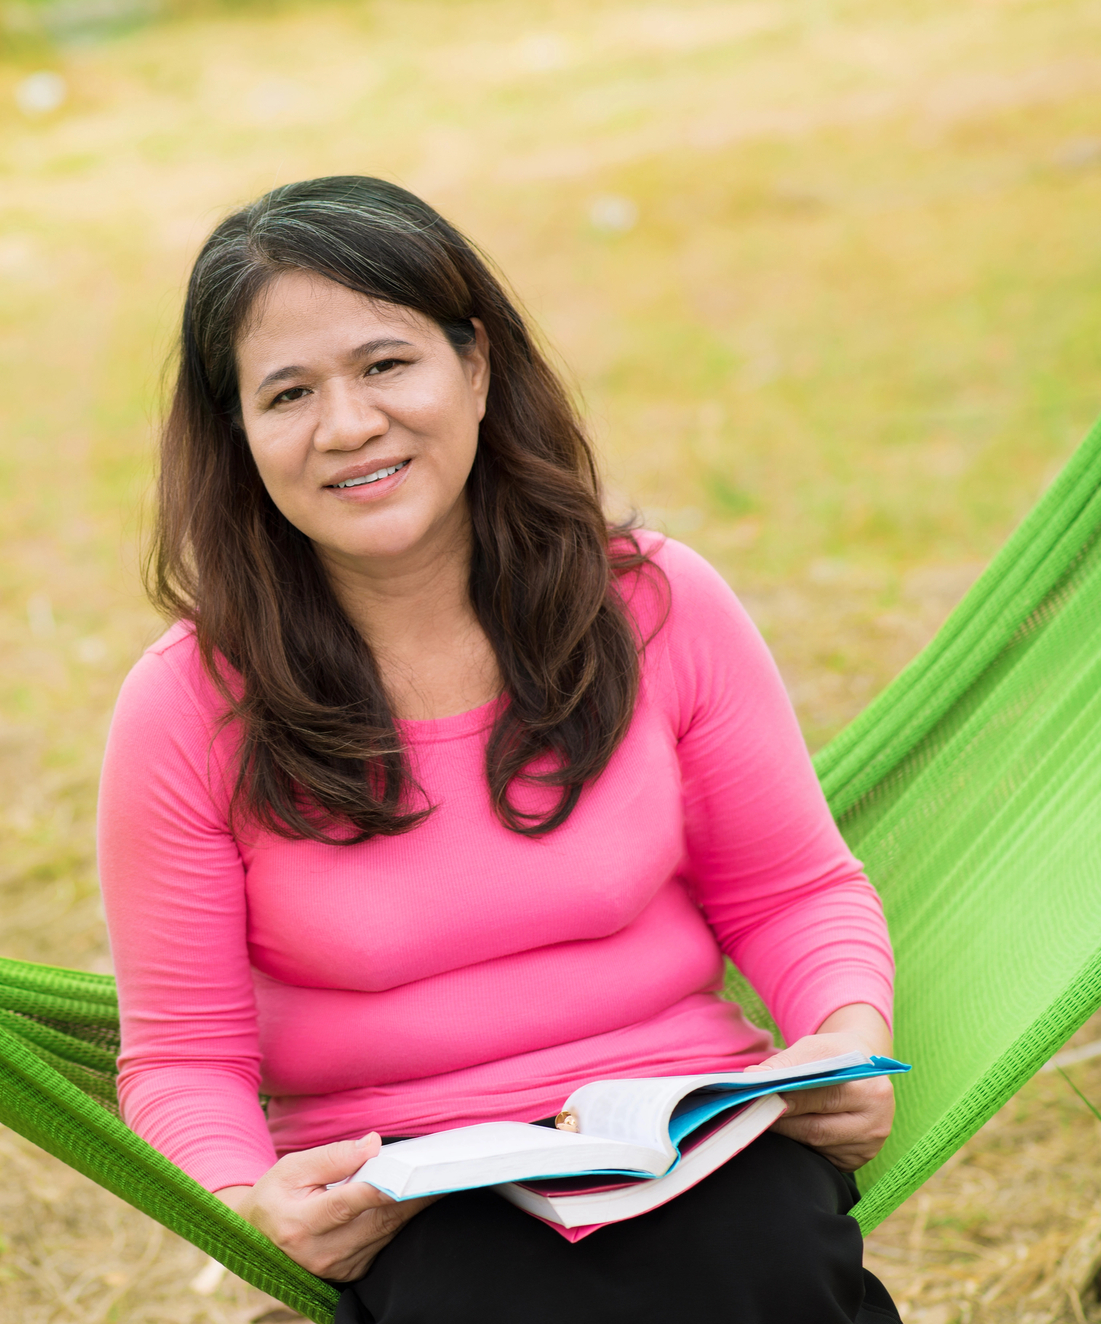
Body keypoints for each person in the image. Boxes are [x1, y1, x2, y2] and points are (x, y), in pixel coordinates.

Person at [95, 176, 900, 1323]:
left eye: (384, 365)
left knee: (767, 1264)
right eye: (286, 392)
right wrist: (248, 1199)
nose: (347, 425)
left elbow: (790, 890)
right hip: (407, 1180)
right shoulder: (187, 705)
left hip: (691, 1123)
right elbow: (181, 1060)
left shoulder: (652, 604)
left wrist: (844, 1039)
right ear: (238, 436)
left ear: (472, 364)